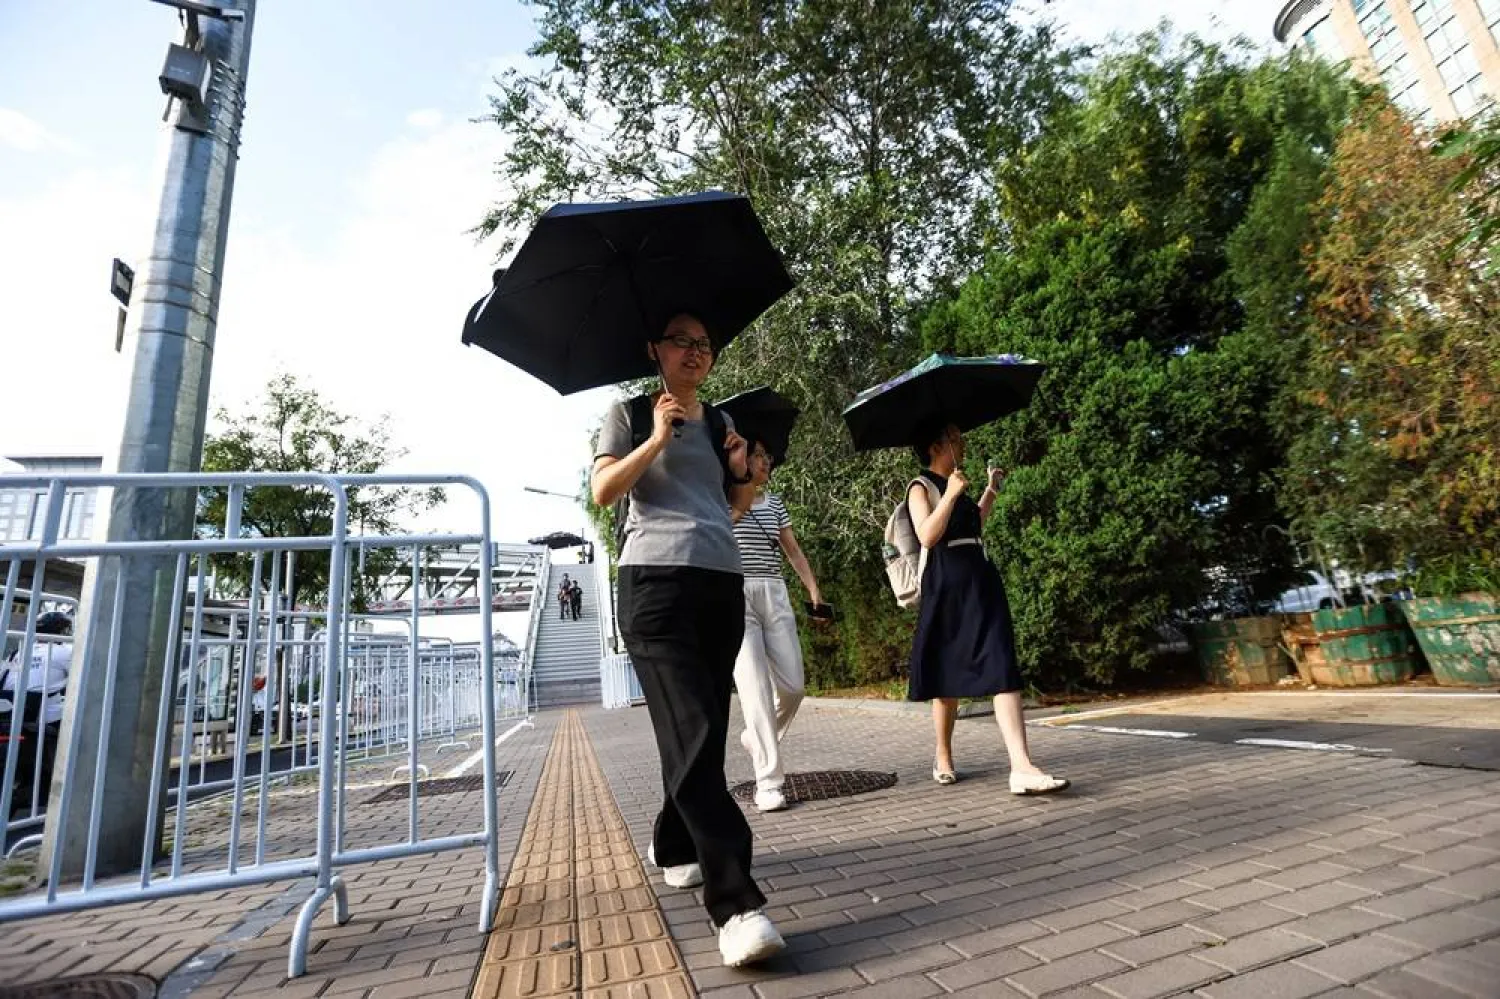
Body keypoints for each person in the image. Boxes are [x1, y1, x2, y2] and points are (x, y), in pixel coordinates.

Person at [592, 312, 785, 968]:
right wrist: (654, 438)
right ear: (655, 349)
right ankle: (736, 906)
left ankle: (675, 844)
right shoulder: (627, 413)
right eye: (682, 340)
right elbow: (603, 490)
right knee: (697, 729)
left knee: (698, 728)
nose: (695, 351)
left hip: (719, 584)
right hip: (655, 586)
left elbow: (729, 508)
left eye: (704, 342)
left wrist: (740, 472)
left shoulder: (723, 422)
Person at [906, 422, 1068, 795]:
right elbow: (928, 535)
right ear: (937, 446)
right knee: (947, 674)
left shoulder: (959, 484)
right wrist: (949, 495)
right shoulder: (921, 486)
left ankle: (1022, 767)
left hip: (980, 580)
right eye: (955, 438)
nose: (962, 444)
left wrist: (989, 490)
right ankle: (943, 754)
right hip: (946, 585)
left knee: (1001, 662)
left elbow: (973, 525)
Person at [728, 438, 825, 813]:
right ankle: (768, 783)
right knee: (754, 688)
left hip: (775, 594)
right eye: (758, 454)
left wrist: (813, 587)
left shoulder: (775, 503)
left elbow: (793, 551)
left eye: (767, 455)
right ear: (740, 459)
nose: (766, 461)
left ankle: (756, 737)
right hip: (738, 596)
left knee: (793, 687)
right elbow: (713, 534)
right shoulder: (723, 499)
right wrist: (737, 506)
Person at [1, 611, 73, 818]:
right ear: (62, 630)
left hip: (11, 715)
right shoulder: (65, 651)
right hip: (41, 718)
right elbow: (84, 676)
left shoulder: (19, 651)